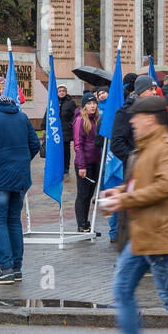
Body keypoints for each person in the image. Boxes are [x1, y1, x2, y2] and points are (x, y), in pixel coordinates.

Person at [100, 95, 168, 334]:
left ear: (150, 119)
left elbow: (165, 188)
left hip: (160, 235)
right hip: (141, 235)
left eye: (136, 119)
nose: (132, 124)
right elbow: (140, 184)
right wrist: (120, 192)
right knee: (122, 288)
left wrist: (125, 200)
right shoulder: (146, 147)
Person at [0, 82, 40, 284]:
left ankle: (5, 270)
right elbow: (35, 144)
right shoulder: (21, 115)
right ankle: (16, 268)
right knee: (14, 220)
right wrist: (21, 162)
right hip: (21, 177)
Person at [73, 92, 103, 234]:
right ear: (84, 105)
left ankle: (86, 223)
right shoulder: (81, 120)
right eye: (89, 104)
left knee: (90, 194)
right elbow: (78, 145)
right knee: (83, 194)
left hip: (96, 162)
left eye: (94, 103)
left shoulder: (95, 119)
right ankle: (82, 224)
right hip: (84, 163)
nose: (92, 106)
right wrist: (82, 165)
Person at [56, 83, 76, 176]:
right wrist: (44, 126)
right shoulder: (54, 101)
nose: (61, 92)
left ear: (66, 92)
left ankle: (66, 167)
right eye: (60, 91)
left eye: (63, 91)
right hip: (55, 129)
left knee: (65, 149)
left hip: (66, 130)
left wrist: (71, 124)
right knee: (56, 149)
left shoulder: (70, 102)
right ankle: (56, 166)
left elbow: (75, 115)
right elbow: (48, 113)